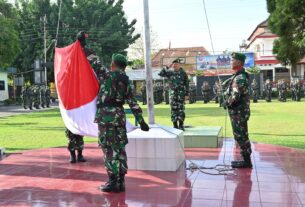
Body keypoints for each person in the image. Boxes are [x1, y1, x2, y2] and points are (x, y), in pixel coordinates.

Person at [93, 53, 149, 193]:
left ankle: (112, 182)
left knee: (108, 149)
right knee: (120, 148)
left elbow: (94, 61)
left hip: (106, 118)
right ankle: (121, 181)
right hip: (119, 118)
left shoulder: (107, 75)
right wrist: (141, 121)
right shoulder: (126, 81)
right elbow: (132, 102)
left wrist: (82, 44)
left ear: (113, 64)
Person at [223, 52, 252, 168]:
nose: (230, 62)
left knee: (241, 136)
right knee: (239, 135)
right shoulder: (237, 76)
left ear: (239, 62)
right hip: (237, 112)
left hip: (238, 112)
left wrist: (227, 102)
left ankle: (246, 161)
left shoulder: (240, 77)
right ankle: (245, 159)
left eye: (232, 60)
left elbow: (235, 96)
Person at [158, 59, 189, 130]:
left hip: (181, 94)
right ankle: (175, 125)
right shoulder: (170, 72)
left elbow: (186, 84)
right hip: (172, 94)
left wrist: (187, 94)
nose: (175, 65)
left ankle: (181, 125)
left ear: (179, 64)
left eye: (176, 64)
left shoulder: (183, 73)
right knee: (173, 109)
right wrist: (167, 67)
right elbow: (160, 74)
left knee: (181, 109)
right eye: (174, 64)